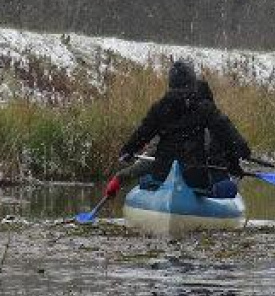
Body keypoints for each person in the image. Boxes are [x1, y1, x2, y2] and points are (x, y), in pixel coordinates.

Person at [104, 60, 250, 198]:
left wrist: (127, 152)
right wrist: (243, 152)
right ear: (192, 83)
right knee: (223, 185)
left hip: (162, 175)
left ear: (171, 83)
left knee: (149, 177)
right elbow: (228, 133)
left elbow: (143, 133)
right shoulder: (205, 108)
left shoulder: (160, 107)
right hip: (194, 177)